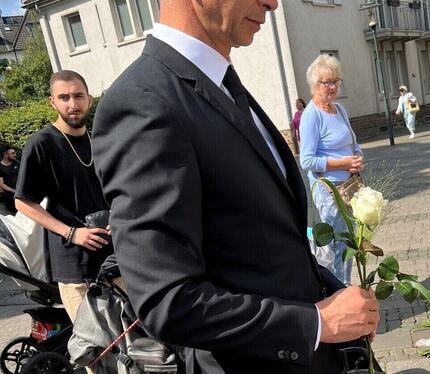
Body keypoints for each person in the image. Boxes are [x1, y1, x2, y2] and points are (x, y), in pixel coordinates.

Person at [91, 1, 380, 373]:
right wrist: (315, 324)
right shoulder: (143, 103)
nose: (273, 3)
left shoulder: (220, 83)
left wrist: (333, 294)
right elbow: (167, 300)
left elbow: (261, 244)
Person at [14, 70, 113, 324]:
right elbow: (23, 202)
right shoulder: (42, 143)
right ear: (53, 102)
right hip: (74, 266)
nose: (73, 104)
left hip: (114, 258)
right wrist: (71, 232)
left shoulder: (100, 141)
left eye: (78, 96)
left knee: (131, 341)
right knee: (94, 349)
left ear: (89, 99)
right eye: (64, 97)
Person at [300, 54, 364, 286]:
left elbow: (352, 141)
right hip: (329, 191)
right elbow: (307, 161)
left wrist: (357, 156)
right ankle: (340, 292)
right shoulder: (311, 116)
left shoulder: (339, 110)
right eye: (328, 82)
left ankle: (346, 287)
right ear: (314, 85)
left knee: (350, 242)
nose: (334, 86)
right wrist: (343, 163)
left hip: (350, 187)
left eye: (336, 81)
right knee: (339, 245)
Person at [0, 146, 19, 213]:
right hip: (9, 192)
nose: (15, 155)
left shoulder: (17, 163)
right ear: (5, 155)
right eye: (12, 153)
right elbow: (1, 184)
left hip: (20, 190)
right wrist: (14, 191)